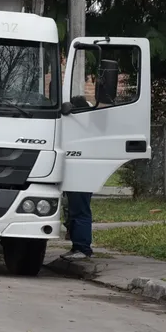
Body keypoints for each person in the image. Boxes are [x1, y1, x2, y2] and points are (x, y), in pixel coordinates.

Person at [62, 94, 93, 260]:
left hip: (82, 174)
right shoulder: (86, 126)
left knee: (80, 210)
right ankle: (77, 246)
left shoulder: (83, 128)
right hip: (79, 174)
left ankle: (82, 247)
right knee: (75, 210)